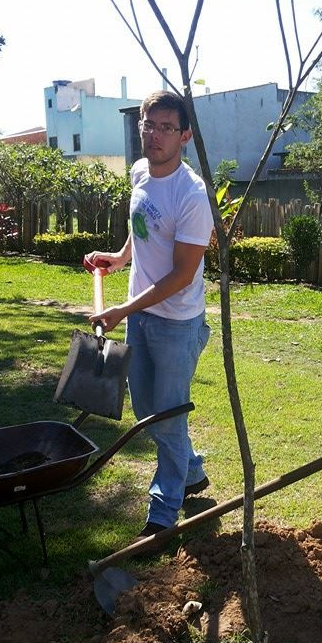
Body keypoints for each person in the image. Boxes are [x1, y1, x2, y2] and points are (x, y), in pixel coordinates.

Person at [86, 90, 214, 537]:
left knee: (167, 416)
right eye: (148, 124)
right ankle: (192, 471)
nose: (155, 135)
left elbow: (182, 275)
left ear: (184, 136)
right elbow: (141, 229)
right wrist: (119, 259)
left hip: (177, 323)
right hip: (141, 315)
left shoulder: (192, 195)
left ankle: (162, 514)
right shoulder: (141, 171)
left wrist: (122, 308)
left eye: (165, 128)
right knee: (147, 409)